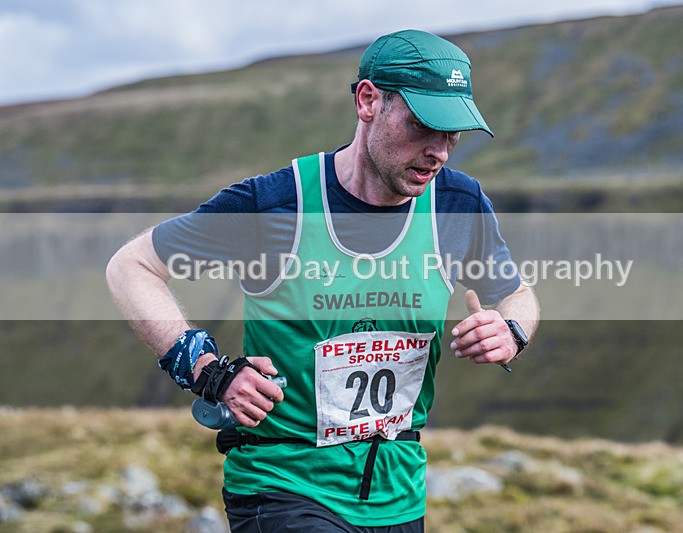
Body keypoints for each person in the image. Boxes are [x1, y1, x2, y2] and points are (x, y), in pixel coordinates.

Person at [106, 29, 538, 532]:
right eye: (424, 125)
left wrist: (511, 332)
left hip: (399, 494)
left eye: (453, 133)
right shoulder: (274, 205)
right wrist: (204, 369)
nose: (440, 151)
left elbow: (515, 295)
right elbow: (131, 266)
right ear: (368, 100)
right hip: (283, 483)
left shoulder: (459, 204)